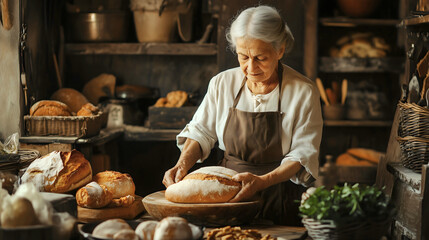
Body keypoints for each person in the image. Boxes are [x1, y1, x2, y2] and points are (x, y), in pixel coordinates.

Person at [162, 5, 323, 226]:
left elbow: (302, 153)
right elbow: (201, 132)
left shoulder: (303, 91)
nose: (250, 67)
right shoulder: (222, 83)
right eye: (243, 56)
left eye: (260, 58)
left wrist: (262, 181)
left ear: (280, 50)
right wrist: (182, 164)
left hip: (279, 198)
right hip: (229, 198)